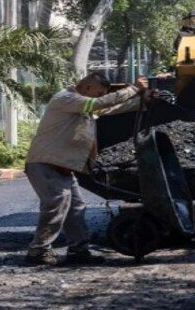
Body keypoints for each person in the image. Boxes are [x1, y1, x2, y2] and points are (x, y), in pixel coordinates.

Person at [24, 73, 148, 266]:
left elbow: (109, 108)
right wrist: (133, 89)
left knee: (75, 208)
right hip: (45, 163)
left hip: (63, 166)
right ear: (88, 87)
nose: (99, 97)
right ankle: (38, 251)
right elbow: (98, 104)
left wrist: (141, 102)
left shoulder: (82, 106)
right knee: (56, 205)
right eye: (98, 93)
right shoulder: (65, 98)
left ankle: (78, 251)